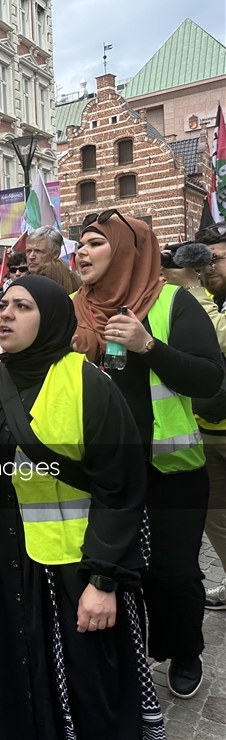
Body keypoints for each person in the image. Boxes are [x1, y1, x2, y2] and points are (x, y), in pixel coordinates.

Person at [0, 275, 164, 738]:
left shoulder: (86, 383)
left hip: (67, 571)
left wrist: (103, 579)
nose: (6, 314)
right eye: (5, 305)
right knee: (7, 682)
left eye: (24, 306)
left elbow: (121, 491)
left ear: (53, 318)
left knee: (80, 691)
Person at [71, 210, 223, 698]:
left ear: (128, 249)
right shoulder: (71, 306)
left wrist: (148, 345)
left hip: (170, 470)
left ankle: (184, 650)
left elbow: (208, 377)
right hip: (99, 471)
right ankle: (119, 657)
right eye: (80, 243)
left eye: (95, 242)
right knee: (108, 568)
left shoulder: (172, 301)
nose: (82, 251)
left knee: (174, 573)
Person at [162, 223, 226, 610]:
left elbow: (216, 337)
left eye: (216, 259)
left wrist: (191, 289)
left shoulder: (202, 298)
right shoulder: (205, 299)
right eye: (203, 260)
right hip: (208, 429)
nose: (208, 267)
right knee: (216, 519)